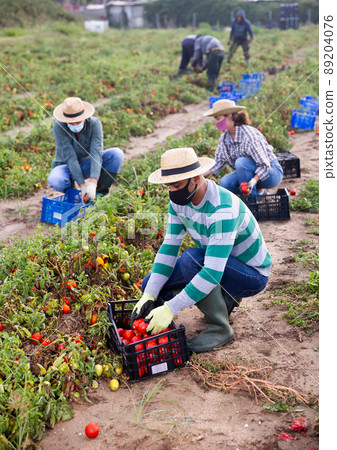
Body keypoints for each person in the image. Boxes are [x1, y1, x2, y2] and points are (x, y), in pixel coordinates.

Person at [130, 147, 272, 353]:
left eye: (176, 185)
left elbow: (212, 272)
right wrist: (149, 295)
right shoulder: (180, 201)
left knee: (192, 261)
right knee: (150, 284)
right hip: (218, 263)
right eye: (169, 186)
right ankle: (221, 301)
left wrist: (171, 307)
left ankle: (220, 329)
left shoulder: (222, 209)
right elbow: (169, 247)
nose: (172, 191)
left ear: (196, 178)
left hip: (251, 274)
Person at [48, 97, 124, 202]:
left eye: (78, 121)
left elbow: (96, 154)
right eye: (71, 122)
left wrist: (92, 183)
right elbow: (71, 158)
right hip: (66, 167)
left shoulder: (94, 124)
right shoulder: (58, 127)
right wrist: (82, 186)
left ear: (84, 116)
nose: (74, 125)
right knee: (56, 179)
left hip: (86, 164)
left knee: (116, 154)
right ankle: (72, 195)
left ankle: (99, 194)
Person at [203, 99, 283, 196]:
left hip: (271, 173)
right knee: (225, 183)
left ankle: (253, 202)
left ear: (229, 116)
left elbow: (264, 165)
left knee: (241, 162)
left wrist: (253, 181)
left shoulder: (249, 136)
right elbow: (218, 163)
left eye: (218, 118)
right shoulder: (224, 139)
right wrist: (197, 176)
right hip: (249, 173)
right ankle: (260, 194)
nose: (216, 123)